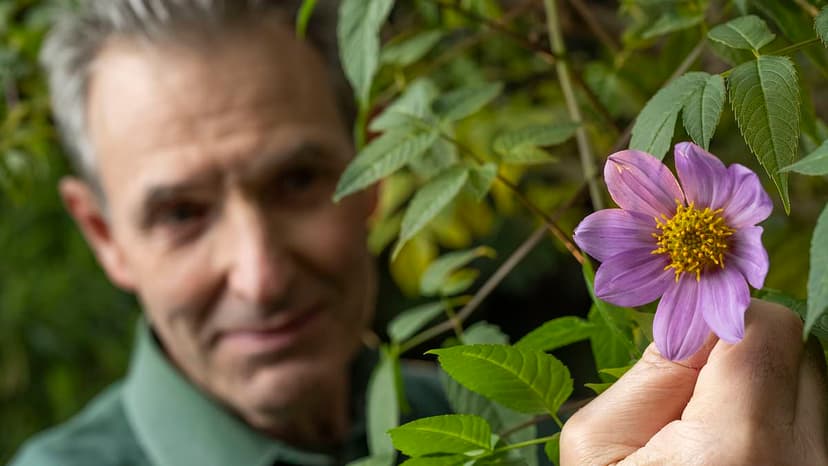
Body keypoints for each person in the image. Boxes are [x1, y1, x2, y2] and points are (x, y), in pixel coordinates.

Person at [10, 1, 828, 465]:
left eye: (297, 181)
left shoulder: (507, 427)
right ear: (103, 234)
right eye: (181, 213)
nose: (259, 274)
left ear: (371, 176)